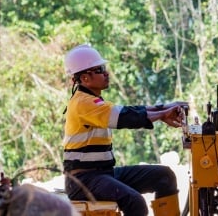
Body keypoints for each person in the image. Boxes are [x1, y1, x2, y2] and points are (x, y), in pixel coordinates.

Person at [62, 44, 187, 216]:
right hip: (83, 181)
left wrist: (163, 108)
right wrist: (163, 113)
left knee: (164, 176)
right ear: (84, 78)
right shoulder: (83, 103)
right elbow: (125, 117)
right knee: (134, 202)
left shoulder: (93, 100)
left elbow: (128, 110)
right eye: (100, 69)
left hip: (103, 174)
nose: (106, 73)